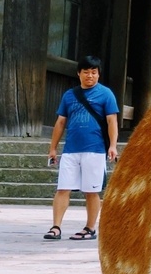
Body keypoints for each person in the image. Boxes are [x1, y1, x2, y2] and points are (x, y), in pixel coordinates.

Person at [45, 55, 119, 241]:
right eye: (86, 72)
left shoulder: (106, 94)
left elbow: (112, 121)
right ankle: (56, 227)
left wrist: (112, 145)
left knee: (91, 191)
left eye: (94, 72)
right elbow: (61, 122)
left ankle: (90, 228)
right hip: (71, 150)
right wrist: (53, 148)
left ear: (98, 74)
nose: (90, 76)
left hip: (95, 150)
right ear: (79, 74)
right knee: (63, 188)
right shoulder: (69, 95)